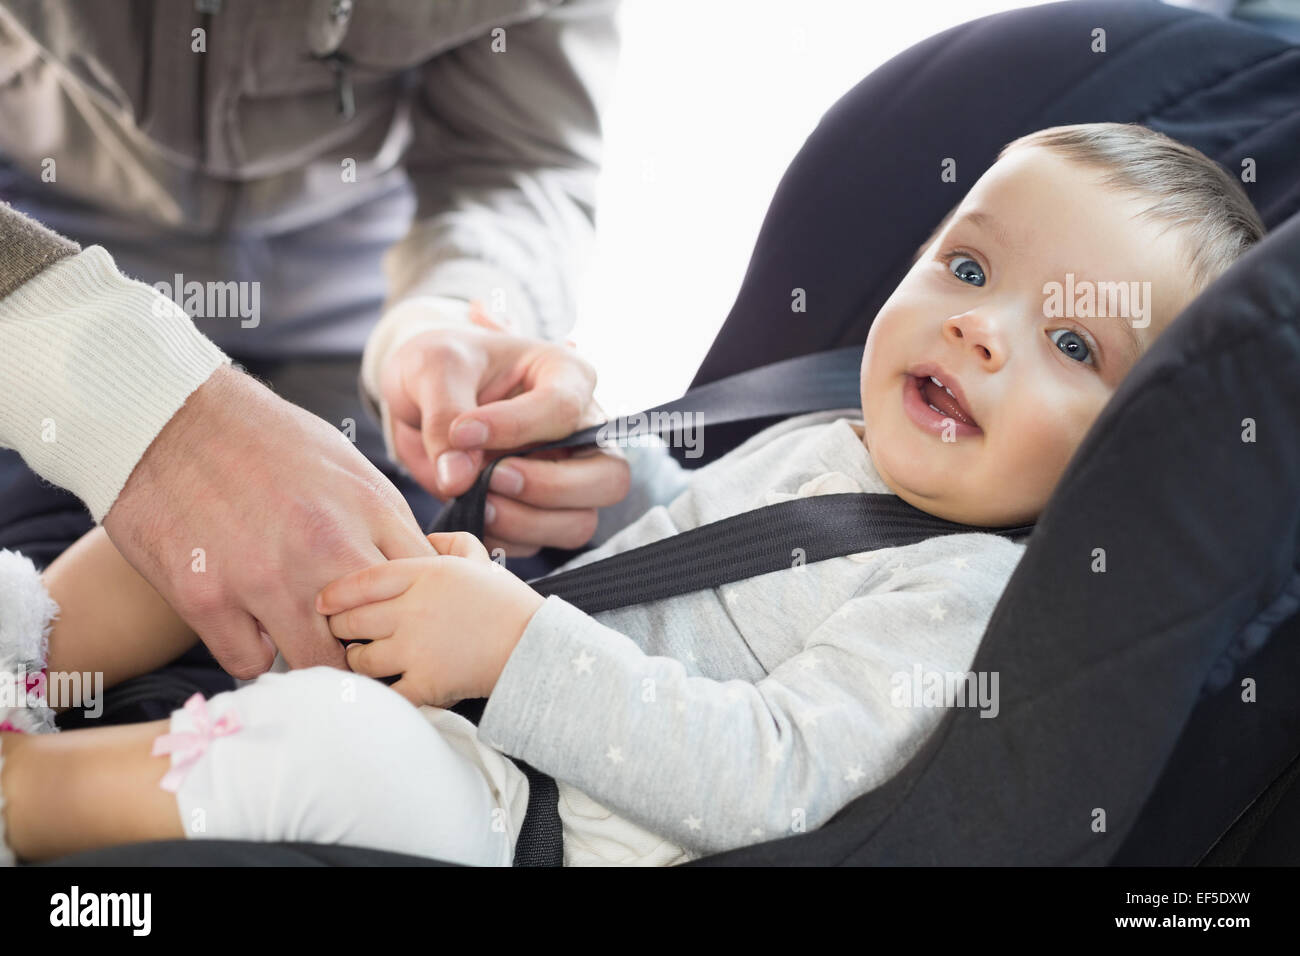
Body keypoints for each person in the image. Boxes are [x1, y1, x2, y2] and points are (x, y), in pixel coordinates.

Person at [0, 123, 1266, 866]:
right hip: (501, 666)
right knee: (265, 503)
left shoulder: (962, 591)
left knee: (331, 747)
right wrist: (616, 494)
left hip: (538, 817)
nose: (983, 330)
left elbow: (765, 769)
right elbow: (710, 541)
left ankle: (26, 795)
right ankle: (26, 648)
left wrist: (518, 644)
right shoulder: (841, 436)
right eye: (970, 266)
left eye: (1073, 345)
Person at [0, 0, 628, 678]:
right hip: (42, 257)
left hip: (356, 313)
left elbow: (516, 158)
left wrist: (447, 316)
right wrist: (134, 403)